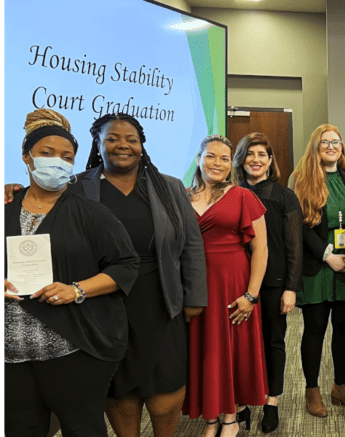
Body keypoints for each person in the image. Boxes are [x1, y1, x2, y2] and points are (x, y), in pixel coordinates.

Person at [5, 108, 139, 437]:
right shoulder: (6, 208)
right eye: (46, 154)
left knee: (83, 429)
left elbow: (125, 264)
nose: (57, 162)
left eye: (66, 157)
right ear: (27, 157)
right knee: (19, 428)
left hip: (72, 349)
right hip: (11, 355)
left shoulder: (92, 214)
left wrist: (75, 290)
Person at [82, 114, 208, 437]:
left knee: (166, 386)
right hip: (106, 305)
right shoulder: (79, 189)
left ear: (142, 146)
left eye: (131, 139)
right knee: (119, 387)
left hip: (161, 299)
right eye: (112, 138)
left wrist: (194, 298)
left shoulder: (169, 187)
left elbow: (192, 245)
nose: (122, 145)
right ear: (98, 144)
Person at [183, 135, 269, 437]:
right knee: (203, 349)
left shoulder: (243, 197)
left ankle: (230, 417)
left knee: (230, 349)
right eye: (210, 156)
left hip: (233, 284)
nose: (216, 163)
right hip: (194, 285)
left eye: (223, 158)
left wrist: (251, 295)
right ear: (198, 159)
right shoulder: (182, 196)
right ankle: (210, 418)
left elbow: (261, 250)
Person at [291, 124, 345, 417]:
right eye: (325, 142)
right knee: (315, 329)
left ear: (342, 146)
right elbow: (299, 225)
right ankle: (312, 390)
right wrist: (327, 255)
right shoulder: (301, 179)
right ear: (315, 147)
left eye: (336, 141)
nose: (332, 146)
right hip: (317, 266)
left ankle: (341, 387)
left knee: (344, 329)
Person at [233, 132, 302, 433]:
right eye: (250, 154)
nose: (256, 160)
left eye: (262, 155)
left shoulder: (284, 196)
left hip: (273, 284)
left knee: (273, 343)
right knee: (241, 346)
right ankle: (241, 404)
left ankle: (271, 402)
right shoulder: (230, 193)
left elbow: (294, 248)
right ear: (241, 160)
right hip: (236, 284)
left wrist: (291, 288)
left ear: (271, 161)